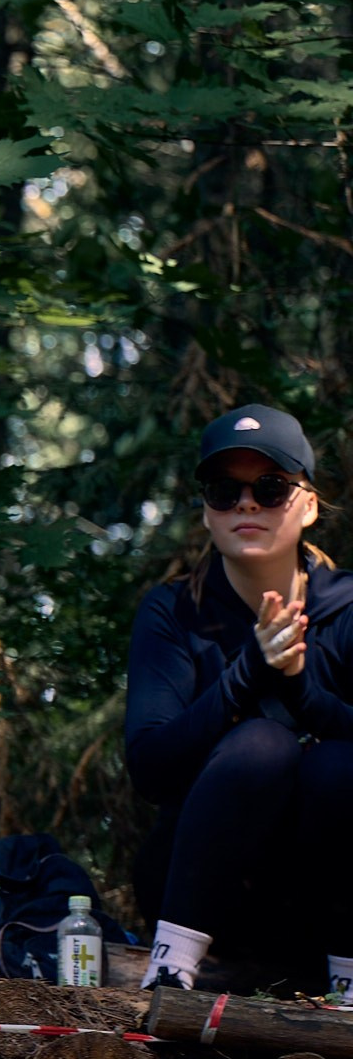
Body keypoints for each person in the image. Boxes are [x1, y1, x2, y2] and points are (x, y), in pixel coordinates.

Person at [124, 405, 353, 998]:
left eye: (270, 487)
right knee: (260, 746)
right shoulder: (174, 611)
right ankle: (170, 972)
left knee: (336, 763)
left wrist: (301, 689)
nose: (246, 505)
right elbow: (149, 767)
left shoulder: (348, 609)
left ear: (307, 504)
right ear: (206, 511)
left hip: (319, 905)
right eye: (226, 491)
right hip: (197, 895)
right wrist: (247, 671)